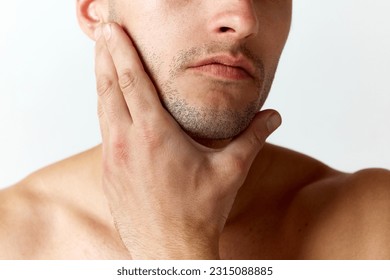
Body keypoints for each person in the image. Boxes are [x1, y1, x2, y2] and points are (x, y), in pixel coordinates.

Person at [0, 0, 389, 260]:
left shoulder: (375, 224)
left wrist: (173, 246)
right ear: (93, 11)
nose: (243, 20)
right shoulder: (10, 243)